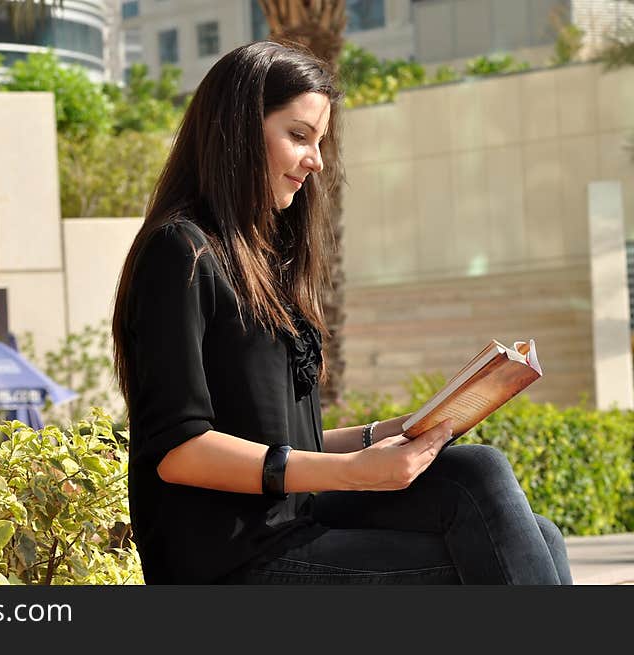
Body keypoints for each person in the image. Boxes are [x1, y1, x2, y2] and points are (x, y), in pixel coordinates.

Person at [111, 41, 572, 585]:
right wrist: (354, 474)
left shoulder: (264, 259)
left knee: (501, 495)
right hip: (233, 560)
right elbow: (180, 451)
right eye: (299, 136)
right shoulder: (180, 253)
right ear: (234, 130)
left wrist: (398, 431)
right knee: (487, 553)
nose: (316, 161)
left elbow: (285, 440)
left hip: (296, 520)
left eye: (320, 142)